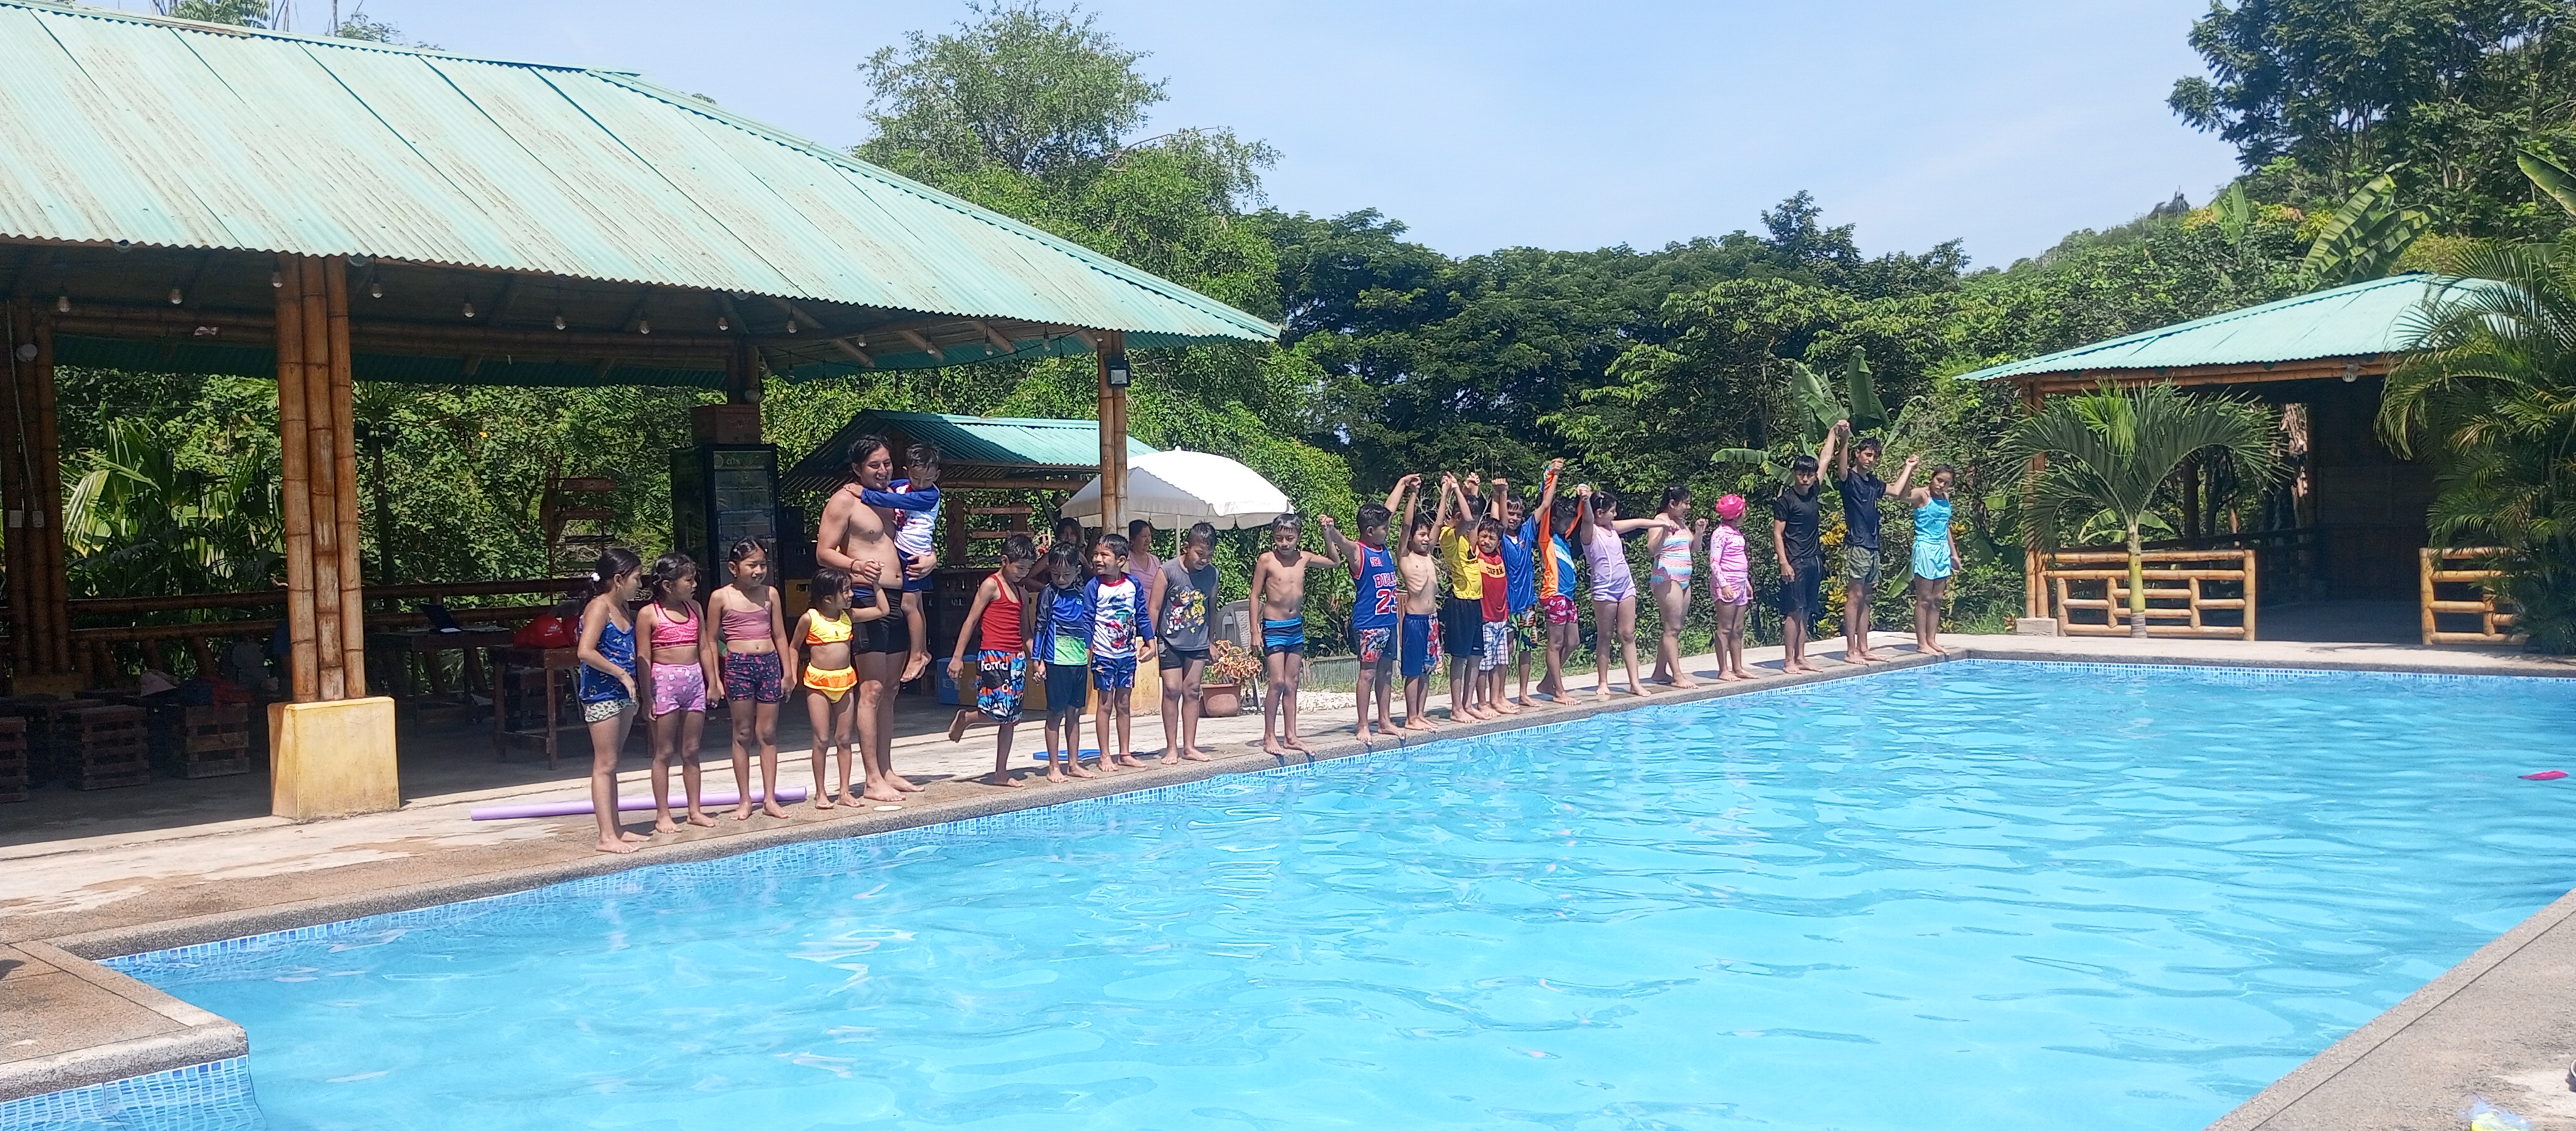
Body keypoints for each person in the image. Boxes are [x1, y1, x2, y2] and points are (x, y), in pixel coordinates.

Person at [814, 436, 914, 803]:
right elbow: (824, 552)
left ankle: (886, 769)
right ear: (857, 468)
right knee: (871, 689)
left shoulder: (894, 499)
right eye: (874, 465)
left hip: (899, 596)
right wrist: (855, 565)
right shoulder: (845, 501)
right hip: (865, 595)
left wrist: (928, 559)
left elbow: (913, 540)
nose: (883, 470)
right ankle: (871, 778)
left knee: (891, 687)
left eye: (887, 463)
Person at [789, 566, 891, 806]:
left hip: (844, 682)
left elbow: (883, 610)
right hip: (818, 683)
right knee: (822, 739)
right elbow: (794, 646)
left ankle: (845, 792)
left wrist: (876, 584)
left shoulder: (849, 616)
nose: (851, 594)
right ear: (827, 598)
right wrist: (791, 675)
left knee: (844, 739)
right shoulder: (810, 618)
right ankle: (821, 793)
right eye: (845, 591)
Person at [635, 553, 721, 833]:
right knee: (664, 751)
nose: (694, 584)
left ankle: (694, 810)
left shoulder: (694, 608)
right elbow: (643, 657)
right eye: (689, 580)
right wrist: (647, 697)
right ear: (668, 585)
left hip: (694, 681)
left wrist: (713, 681)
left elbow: (704, 646)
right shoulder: (649, 614)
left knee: (692, 750)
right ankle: (663, 814)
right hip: (663, 683)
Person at [945, 534, 1039, 787]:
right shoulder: (991, 585)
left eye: (1028, 569)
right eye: (1020, 568)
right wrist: (957, 657)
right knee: (998, 713)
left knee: (1012, 718)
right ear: (1005, 561)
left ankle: (1001, 772)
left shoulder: (1021, 593)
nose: (1023, 573)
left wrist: (1036, 659)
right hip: (993, 657)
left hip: (1016, 659)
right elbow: (971, 620)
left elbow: (1026, 632)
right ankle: (967, 718)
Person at [708, 537, 791, 821]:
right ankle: (745, 799)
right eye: (752, 565)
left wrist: (788, 671)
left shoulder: (771, 594)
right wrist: (715, 678)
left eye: (762, 565)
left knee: (767, 733)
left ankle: (770, 798)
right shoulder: (721, 597)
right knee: (742, 733)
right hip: (738, 665)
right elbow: (710, 639)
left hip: (769, 663)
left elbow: (780, 635)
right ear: (734, 568)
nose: (758, 571)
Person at [575, 548, 647, 854]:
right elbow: (585, 651)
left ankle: (615, 828)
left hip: (622, 694)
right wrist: (622, 675)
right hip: (602, 694)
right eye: (636, 578)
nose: (640, 584)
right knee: (604, 765)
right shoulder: (599, 607)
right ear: (618, 579)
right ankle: (605, 836)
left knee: (613, 763)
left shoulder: (622, 607)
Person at [1253, 514, 1342, 755]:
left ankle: (1291, 736)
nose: (1284, 543)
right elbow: (1255, 595)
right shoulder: (1267, 560)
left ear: (1298, 538)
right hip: (1274, 626)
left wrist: (1327, 534)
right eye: (1279, 538)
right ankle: (1269, 736)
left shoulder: (1304, 558)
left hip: (1295, 626)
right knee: (1278, 682)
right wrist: (1254, 630)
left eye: (1289, 538)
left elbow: (1335, 561)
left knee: (1292, 683)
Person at [857, 444, 944, 684]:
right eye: (916, 478)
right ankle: (922, 651)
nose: (921, 483)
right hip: (904, 552)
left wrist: (862, 494)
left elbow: (890, 498)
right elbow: (887, 488)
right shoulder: (904, 485)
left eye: (928, 479)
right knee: (916, 605)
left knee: (908, 605)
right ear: (907, 472)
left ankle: (917, 654)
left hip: (915, 555)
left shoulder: (929, 495)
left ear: (937, 476)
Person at [1832, 423, 1918, 665]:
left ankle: (1863, 647)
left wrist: (1909, 468)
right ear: (1858, 454)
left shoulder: (1873, 483)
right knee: (1855, 595)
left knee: (1867, 597)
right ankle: (1851, 650)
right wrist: (1844, 438)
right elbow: (1840, 465)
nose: (1871, 460)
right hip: (1857, 543)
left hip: (1873, 545)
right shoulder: (1849, 478)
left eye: (1875, 457)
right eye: (1868, 455)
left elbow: (1897, 492)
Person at [1576, 486, 1669, 699]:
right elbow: (1588, 518)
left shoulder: (1612, 527)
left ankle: (1635, 683)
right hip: (1604, 589)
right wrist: (1585, 500)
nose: (1615, 514)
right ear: (1600, 513)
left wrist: (1662, 524)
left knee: (1628, 634)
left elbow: (1637, 522)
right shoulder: (1590, 532)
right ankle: (1603, 681)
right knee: (1605, 635)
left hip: (1625, 586)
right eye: (1612, 511)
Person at [1323, 496, 1403, 740]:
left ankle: (1385, 720)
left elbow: (1389, 510)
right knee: (1368, 674)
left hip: (1389, 622)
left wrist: (1402, 484)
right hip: (1370, 624)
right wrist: (1330, 529)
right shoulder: (1360, 552)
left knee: (1386, 673)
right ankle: (1363, 724)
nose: (1388, 531)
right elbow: (1342, 542)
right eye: (1385, 529)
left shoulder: (1383, 549)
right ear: (1370, 531)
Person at [1149, 522, 1221, 764]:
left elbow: (1211, 608)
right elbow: (1154, 607)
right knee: (1172, 690)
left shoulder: (1212, 574)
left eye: (1209, 555)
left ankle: (1189, 746)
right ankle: (1172, 747)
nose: (1204, 560)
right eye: (1200, 553)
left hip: (1198, 641)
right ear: (1186, 547)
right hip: (1169, 640)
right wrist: (1150, 640)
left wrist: (1211, 641)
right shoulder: (1167, 571)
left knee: (1192, 691)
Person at [1492, 462, 1560, 709]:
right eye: (1511, 514)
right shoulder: (1500, 536)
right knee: (1506, 649)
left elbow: (1546, 504)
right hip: (1507, 604)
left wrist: (1554, 475)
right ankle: (1499, 695)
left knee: (1526, 648)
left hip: (1527, 603)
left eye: (1518, 515)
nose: (1514, 518)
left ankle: (1523, 693)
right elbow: (1498, 519)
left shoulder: (1527, 531)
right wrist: (1501, 493)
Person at [1029, 545, 1099, 781]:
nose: (1061, 579)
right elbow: (1040, 627)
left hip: (1078, 662)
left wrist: (1090, 650)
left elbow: (1088, 624)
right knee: (1055, 714)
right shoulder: (1049, 593)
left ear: (1077, 571)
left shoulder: (1082, 594)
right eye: (1055, 574)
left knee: (1074, 713)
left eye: (1067, 574)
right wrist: (1037, 660)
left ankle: (1073, 763)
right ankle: (1053, 766)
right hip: (1056, 661)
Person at [1087, 533, 1154, 771]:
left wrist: (1150, 641)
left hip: (1126, 655)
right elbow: (1088, 618)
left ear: (1121, 560)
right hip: (1104, 655)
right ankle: (1105, 755)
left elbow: (1142, 614)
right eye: (1096, 554)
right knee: (1105, 705)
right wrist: (1088, 647)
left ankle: (1125, 752)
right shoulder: (1094, 586)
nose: (1098, 559)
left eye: (1105, 555)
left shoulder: (1132, 585)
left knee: (1123, 704)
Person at [1773, 437, 1834, 675]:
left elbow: (1825, 458)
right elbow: (1778, 533)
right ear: (1795, 474)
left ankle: (1801, 656)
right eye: (1801, 474)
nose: (1806, 479)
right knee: (1794, 610)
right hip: (1795, 560)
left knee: (1807, 610)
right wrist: (1784, 562)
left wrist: (1833, 433)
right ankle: (1789, 659)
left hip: (1813, 559)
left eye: (1809, 475)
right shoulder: (1786, 501)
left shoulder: (1813, 491)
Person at [1437, 473, 1494, 722]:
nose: (1473, 526)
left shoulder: (1466, 538)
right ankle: (1456, 707)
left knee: (1476, 655)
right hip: (1460, 600)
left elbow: (1473, 521)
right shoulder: (1448, 536)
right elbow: (1469, 519)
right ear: (1458, 516)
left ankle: (1468, 704)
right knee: (1460, 657)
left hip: (1474, 601)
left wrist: (1473, 492)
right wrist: (1456, 490)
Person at [1392, 477, 1444, 732]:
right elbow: (1405, 524)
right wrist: (1413, 494)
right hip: (1414, 620)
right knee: (1413, 670)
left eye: (1427, 536)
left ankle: (1421, 714)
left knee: (1427, 668)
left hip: (1432, 619)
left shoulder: (1428, 555)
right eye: (1421, 535)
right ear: (1411, 538)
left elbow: (1439, 524)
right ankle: (1411, 716)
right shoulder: (1405, 554)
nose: (1425, 539)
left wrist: (1445, 493)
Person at [1645, 486, 1707, 690]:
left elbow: (1694, 548)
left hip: (1684, 579)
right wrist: (1664, 532)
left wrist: (1699, 533)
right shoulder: (1659, 521)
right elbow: (1652, 550)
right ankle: (1677, 675)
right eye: (1685, 503)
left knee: (1675, 628)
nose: (1688, 507)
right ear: (1672, 504)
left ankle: (1659, 672)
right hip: (1667, 577)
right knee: (1672, 628)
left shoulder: (1681, 523)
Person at [1533, 492, 1583, 702]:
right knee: (1556, 642)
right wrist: (1552, 478)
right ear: (1554, 521)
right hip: (1554, 594)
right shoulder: (1547, 538)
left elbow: (1577, 518)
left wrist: (1583, 499)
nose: (1568, 527)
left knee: (1573, 641)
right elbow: (1546, 509)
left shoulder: (1563, 538)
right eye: (1565, 523)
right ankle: (1559, 691)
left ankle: (1547, 682)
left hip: (1567, 596)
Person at [1906, 461, 1958, 656]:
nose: (1941, 485)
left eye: (1946, 483)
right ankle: (1922, 643)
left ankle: (1932, 639)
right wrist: (1910, 469)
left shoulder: (1945, 497)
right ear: (1932, 478)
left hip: (1942, 550)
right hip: (1925, 549)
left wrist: (1954, 553)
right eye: (1939, 480)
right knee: (1925, 598)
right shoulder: (1922, 495)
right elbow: (1902, 495)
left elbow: (1946, 527)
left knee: (1937, 599)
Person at [1708, 495, 1755, 681]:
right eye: (1744, 511)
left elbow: (1740, 561)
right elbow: (1714, 562)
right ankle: (1723, 669)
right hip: (1727, 584)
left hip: (1740, 584)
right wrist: (1724, 585)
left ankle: (1738, 667)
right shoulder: (1720, 534)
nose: (1746, 514)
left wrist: (1746, 582)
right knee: (1725, 628)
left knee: (1738, 627)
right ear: (1737, 514)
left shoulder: (1736, 533)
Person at [1473, 517, 1517, 715]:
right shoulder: (1476, 554)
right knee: (1484, 664)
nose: (1486, 541)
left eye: (1491, 538)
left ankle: (1496, 698)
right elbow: (1472, 527)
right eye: (1483, 536)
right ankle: (1482, 702)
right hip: (1486, 619)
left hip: (1501, 618)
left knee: (1500, 662)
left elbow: (1502, 525)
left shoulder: (1499, 556)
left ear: (1499, 542)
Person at [1126, 518, 1162, 591]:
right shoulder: (1127, 559)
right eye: (1144, 536)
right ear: (1132, 539)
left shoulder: (1155, 561)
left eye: (1149, 536)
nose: (1148, 540)